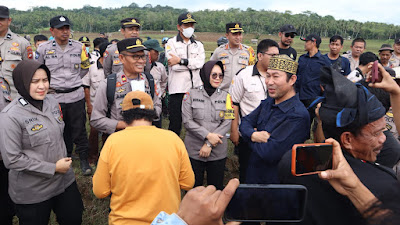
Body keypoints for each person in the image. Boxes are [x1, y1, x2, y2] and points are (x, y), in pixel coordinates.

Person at [279, 64, 400, 225]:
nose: (383, 139)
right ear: (348, 139)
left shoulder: (292, 162)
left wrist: (396, 93)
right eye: (376, 133)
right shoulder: (384, 184)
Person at [0, 60, 84, 225]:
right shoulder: (10, 116)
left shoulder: (52, 102)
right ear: (22, 82)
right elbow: (12, 159)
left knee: (73, 218)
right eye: (35, 81)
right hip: (33, 191)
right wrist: (53, 168)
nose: (42, 86)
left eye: (45, 80)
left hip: (64, 181)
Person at [93, 90, 194, 225]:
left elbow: (100, 191)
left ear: (124, 115)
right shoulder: (173, 139)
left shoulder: (112, 142)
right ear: (152, 114)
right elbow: (188, 183)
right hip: (166, 221)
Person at [239, 55, 310, 186]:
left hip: (274, 186)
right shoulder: (268, 103)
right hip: (254, 178)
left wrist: (247, 137)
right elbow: (245, 122)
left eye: (276, 76)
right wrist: (253, 135)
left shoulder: (298, 116)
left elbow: (269, 152)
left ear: (292, 79)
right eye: (268, 75)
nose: (269, 82)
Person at [36, 15, 92, 175]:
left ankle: (83, 160)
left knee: (79, 129)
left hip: (75, 95)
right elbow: (39, 70)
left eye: (67, 28)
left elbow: (85, 67)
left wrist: (72, 81)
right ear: (52, 31)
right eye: (61, 29)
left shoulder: (79, 47)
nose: (65, 31)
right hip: (54, 97)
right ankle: (64, 157)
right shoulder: (43, 49)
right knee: (58, 130)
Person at [229, 39, 279, 182]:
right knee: (247, 170)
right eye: (272, 56)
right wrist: (234, 130)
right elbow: (234, 103)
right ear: (260, 56)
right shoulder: (243, 75)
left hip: (273, 133)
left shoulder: (280, 77)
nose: (276, 59)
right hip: (249, 133)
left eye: (278, 55)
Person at [90, 38, 161, 135]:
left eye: (143, 57)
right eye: (135, 57)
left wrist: (148, 114)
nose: (141, 61)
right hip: (120, 138)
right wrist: (125, 125)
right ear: (122, 58)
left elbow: (157, 106)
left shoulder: (149, 81)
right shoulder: (109, 84)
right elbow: (96, 119)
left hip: (146, 137)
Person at [182, 60, 234, 190]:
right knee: (193, 189)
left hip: (217, 151)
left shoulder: (227, 97)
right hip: (194, 150)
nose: (218, 79)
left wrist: (209, 143)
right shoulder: (190, 94)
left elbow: (227, 121)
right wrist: (207, 135)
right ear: (205, 74)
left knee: (215, 189)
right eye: (214, 75)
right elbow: (187, 121)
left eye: (220, 76)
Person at [166, 12, 205, 136]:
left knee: (197, 121)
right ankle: (173, 148)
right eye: (186, 25)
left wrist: (181, 61)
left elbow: (200, 63)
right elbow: (175, 67)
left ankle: (194, 148)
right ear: (179, 27)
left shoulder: (198, 45)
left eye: (191, 25)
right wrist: (190, 65)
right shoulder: (171, 43)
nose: (190, 28)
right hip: (177, 89)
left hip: (195, 88)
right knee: (175, 122)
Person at [82, 42, 109, 164]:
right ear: (104, 54)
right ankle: (92, 157)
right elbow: (86, 87)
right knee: (94, 131)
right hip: (95, 105)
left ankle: (106, 157)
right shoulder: (92, 67)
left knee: (108, 132)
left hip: (110, 106)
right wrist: (89, 105)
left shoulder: (114, 68)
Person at [210, 22, 255, 91]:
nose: (238, 37)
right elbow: (210, 69)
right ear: (227, 36)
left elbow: (252, 72)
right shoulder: (219, 51)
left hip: (241, 92)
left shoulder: (248, 51)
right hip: (222, 92)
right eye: (234, 34)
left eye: (240, 34)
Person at [0, 5, 33, 99]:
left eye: (1, 19)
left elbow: (29, 73)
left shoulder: (22, 43)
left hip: (13, 99)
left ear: (9, 21)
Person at [296, 33, 327, 116]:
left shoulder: (323, 61)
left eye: (307, 42)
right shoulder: (302, 58)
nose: (305, 44)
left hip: (312, 97)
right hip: (298, 96)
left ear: (314, 43)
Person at [143, 39, 168, 128]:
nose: (158, 54)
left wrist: (159, 93)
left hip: (156, 104)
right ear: (147, 52)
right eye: (155, 51)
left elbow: (164, 81)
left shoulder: (160, 67)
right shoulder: (139, 67)